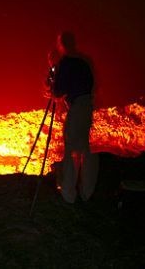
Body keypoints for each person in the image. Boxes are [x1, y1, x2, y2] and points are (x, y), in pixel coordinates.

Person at [51, 31, 99, 203]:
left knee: (71, 148)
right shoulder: (85, 61)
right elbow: (93, 84)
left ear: (61, 44)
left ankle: (69, 193)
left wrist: (54, 71)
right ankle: (87, 192)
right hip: (87, 106)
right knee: (84, 148)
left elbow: (57, 90)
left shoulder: (66, 62)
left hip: (77, 106)